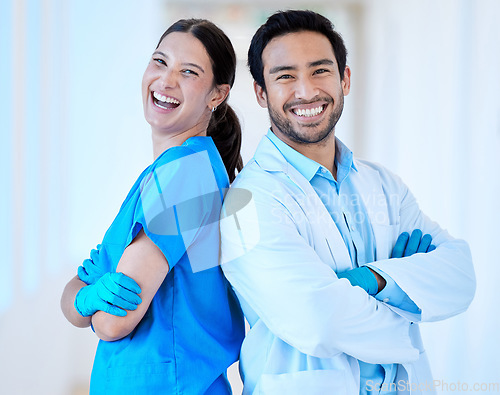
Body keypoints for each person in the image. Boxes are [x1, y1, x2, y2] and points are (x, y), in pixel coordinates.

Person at [219, 10, 475, 395]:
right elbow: (317, 320)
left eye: (320, 70)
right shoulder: (246, 201)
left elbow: (461, 276)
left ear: (345, 79)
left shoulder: (383, 185)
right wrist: (406, 293)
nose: (306, 91)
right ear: (261, 92)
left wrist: (371, 278)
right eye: (285, 76)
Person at [60, 19, 245, 394]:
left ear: (217, 94)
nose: (166, 80)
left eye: (188, 72)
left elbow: (114, 322)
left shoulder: (185, 177)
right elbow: (75, 291)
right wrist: (84, 298)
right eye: (160, 62)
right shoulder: (174, 173)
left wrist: (86, 302)